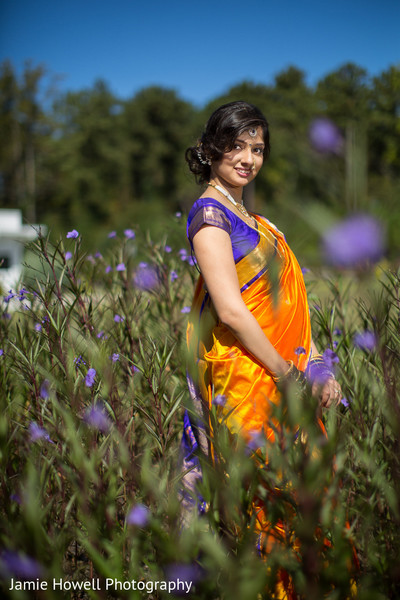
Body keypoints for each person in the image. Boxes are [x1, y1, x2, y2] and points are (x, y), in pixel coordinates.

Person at [180, 101, 342, 594]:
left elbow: (291, 307)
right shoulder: (210, 217)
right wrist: (284, 372)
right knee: (254, 497)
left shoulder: (261, 223)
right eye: (236, 146)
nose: (248, 158)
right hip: (245, 379)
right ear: (210, 150)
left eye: (257, 149)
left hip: (282, 374)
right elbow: (230, 310)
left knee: (296, 495)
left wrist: (313, 363)